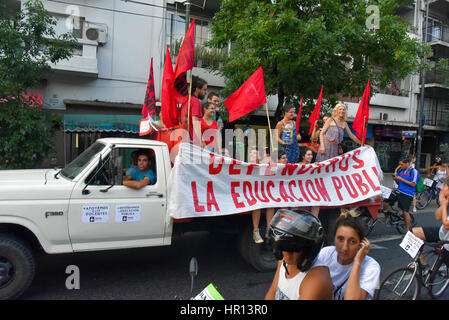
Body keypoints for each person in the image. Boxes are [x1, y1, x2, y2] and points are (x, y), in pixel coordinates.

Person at [265, 209, 333, 300]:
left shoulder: (317, 279)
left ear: (308, 250)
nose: (287, 256)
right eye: (283, 248)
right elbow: (272, 292)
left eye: (294, 250)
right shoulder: (283, 260)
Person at [313, 212, 381, 300]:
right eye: (340, 239)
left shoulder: (371, 267)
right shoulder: (326, 254)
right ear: (334, 239)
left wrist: (357, 262)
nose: (345, 248)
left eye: (352, 241)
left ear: (361, 244)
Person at [412, 177, 449, 265]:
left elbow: (447, 225)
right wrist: (443, 203)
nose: (441, 188)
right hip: (443, 234)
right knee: (414, 233)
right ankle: (420, 262)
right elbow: (437, 216)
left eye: (445, 185)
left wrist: (444, 205)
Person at [383, 157, 418, 232]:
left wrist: (402, 179)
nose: (400, 166)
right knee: (385, 202)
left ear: (407, 164)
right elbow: (399, 183)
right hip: (399, 190)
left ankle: (407, 230)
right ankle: (388, 218)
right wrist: (396, 180)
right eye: (400, 164)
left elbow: (413, 184)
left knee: (405, 211)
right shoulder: (401, 170)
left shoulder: (413, 171)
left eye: (402, 164)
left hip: (407, 193)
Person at [265, 152, 288, 238]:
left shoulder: (290, 167)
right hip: (272, 192)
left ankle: (282, 227)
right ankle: (269, 229)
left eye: (286, 158)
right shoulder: (271, 167)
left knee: (285, 205)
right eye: (283, 158)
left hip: (283, 192)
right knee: (271, 204)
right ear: (278, 159)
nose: (286, 160)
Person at [180, 76, 207, 145]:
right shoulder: (195, 101)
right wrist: (201, 141)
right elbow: (195, 122)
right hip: (191, 141)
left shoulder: (186, 100)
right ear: (197, 89)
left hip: (183, 138)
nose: (206, 92)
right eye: (204, 90)